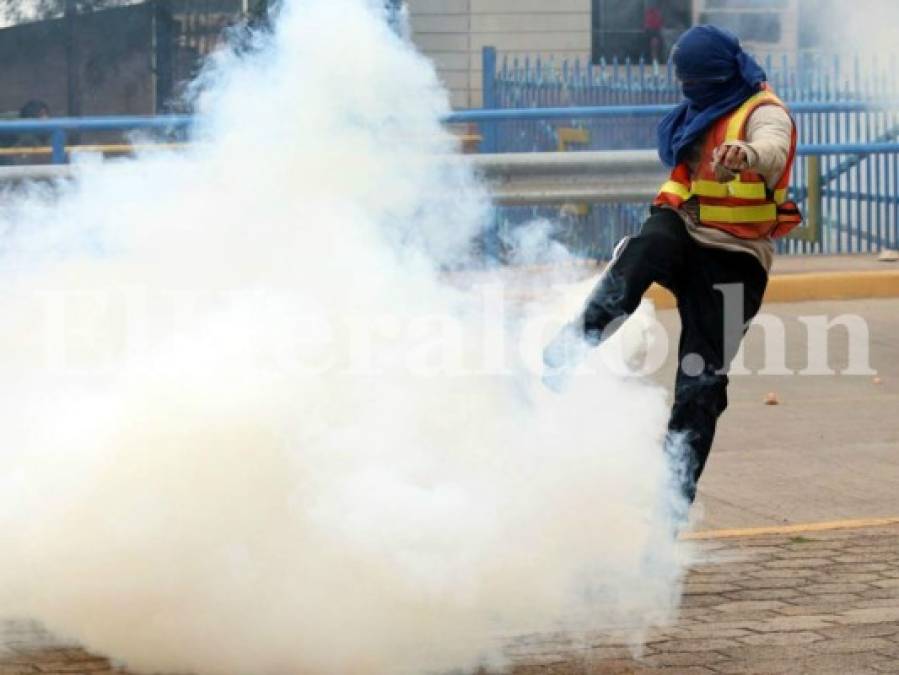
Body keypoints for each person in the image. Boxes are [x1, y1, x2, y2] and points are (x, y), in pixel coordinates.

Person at [543, 25, 802, 504]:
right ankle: (573, 346)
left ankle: (669, 505)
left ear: (719, 75)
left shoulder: (764, 112)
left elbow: (773, 149)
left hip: (736, 259)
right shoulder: (699, 112)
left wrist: (744, 154)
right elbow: (682, 182)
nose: (687, 90)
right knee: (646, 249)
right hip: (685, 231)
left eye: (695, 81)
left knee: (700, 386)